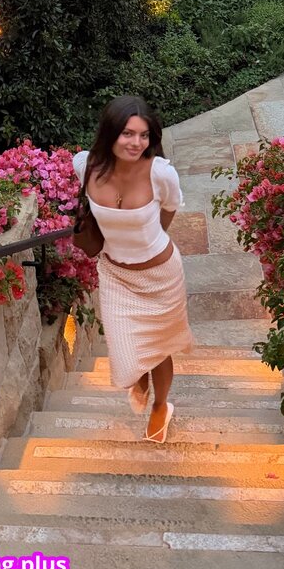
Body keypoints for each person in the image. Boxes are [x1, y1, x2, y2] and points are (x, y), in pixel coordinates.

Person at [73, 95, 193, 444]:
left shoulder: (160, 173)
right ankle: (139, 377)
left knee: (159, 348)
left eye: (143, 135)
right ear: (110, 132)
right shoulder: (86, 166)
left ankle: (161, 406)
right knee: (125, 356)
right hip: (116, 276)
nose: (136, 143)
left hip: (161, 277)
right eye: (127, 133)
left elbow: (170, 208)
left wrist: (150, 238)